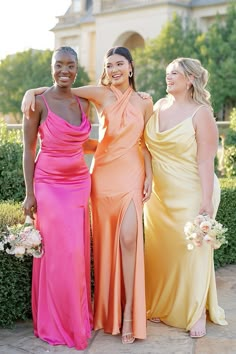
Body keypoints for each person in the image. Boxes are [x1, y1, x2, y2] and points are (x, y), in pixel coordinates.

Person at [21, 46, 153, 344]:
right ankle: (76, 317)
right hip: (75, 180)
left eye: (119, 64)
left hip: (103, 178)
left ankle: (119, 313)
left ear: (131, 67)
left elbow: (144, 142)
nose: (114, 69)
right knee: (77, 250)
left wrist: (150, 174)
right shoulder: (91, 95)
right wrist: (32, 89)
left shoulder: (138, 102)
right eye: (109, 65)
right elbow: (60, 89)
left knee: (106, 246)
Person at [143, 57, 227, 338]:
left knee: (192, 252)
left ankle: (196, 313)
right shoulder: (157, 106)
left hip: (192, 191)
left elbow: (206, 162)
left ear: (190, 79)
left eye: (175, 73)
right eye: (167, 73)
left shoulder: (201, 113)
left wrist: (205, 201)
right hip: (158, 196)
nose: (169, 77)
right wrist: (147, 178)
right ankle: (161, 305)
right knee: (161, 252)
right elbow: (144, 146)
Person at [22, 46, 93, 350]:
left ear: (78, 69)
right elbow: (28, 150)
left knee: (76, 254)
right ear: (50, 67)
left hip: (79, 183)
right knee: (58, 256)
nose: (65, 71)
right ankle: (54, 322)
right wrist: (29, 193)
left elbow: (86, 141)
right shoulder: (37, 103)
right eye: (59, 65)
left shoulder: (84, 102)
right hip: (48, 184)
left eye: (71, 66)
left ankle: (75, 319)